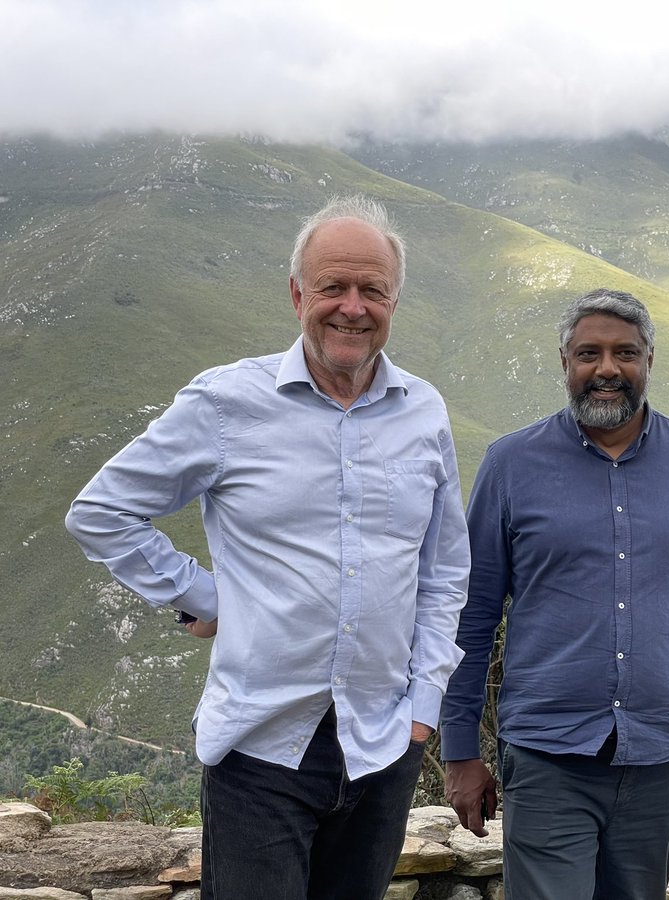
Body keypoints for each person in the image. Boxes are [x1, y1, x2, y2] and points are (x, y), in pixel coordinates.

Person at [65, 195, 470, 900]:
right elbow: (101, 512)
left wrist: (423, 705)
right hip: (260, 752)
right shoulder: (225, 403)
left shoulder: (424, 412)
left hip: (383, 747)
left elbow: (442, 571)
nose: (352, 307)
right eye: (333, 286)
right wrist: (210, 598)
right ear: (297, 295)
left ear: (394, 301)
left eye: (372, 290)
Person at [440, 288, 669, 899]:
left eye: (625, 353)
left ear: (649, 360)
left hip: (659, 759)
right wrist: (459, 749)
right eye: (589, 353)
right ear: (565, 362)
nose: (607, 369)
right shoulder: (510, 465)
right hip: (546, 757)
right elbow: (470, 616)